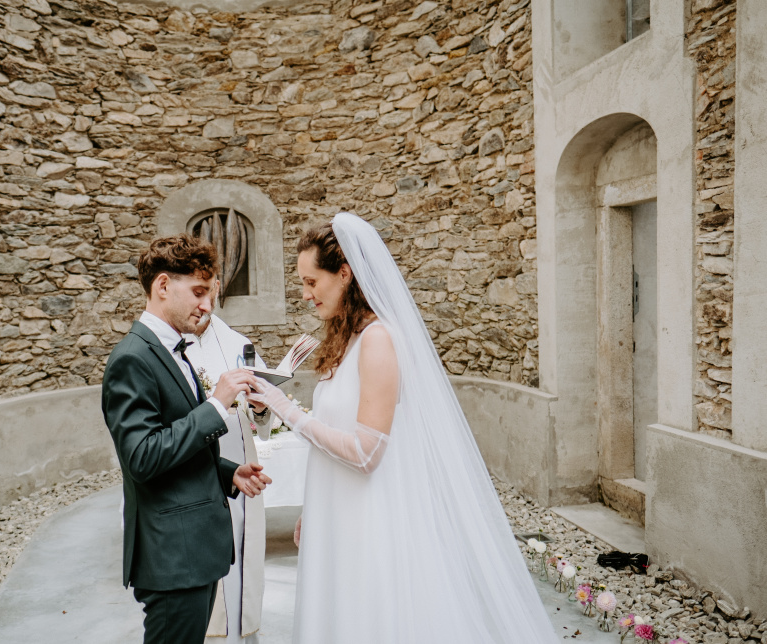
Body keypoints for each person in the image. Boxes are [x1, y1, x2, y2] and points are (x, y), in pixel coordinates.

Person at [247, 213, 558, 643]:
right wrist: (314, 508)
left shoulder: (379, 340)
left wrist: (286, 409)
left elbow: (366, 453)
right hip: (340, 514)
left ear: (344, 274)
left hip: (371, 521)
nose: (305, 294)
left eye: (311, 282)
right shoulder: (349, 340)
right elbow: (339, 433)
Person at [101, 234, 272, 644]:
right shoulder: (133, 358)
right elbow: (142, 457)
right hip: (173, 557)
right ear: (163, 285)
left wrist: (227, 472)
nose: (207, 305)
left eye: (209, 294)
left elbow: (174, 441)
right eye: (198, 292)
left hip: (193, 553)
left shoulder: (170, 350)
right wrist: (216, 405)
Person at [185, 285, 274, 643]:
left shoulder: (239, 344)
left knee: (242, 567)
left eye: (210, 291)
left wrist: (261, 407)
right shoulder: (169, 349)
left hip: (241, 467)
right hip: (198, 472)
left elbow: (264, 424)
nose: (204, 303)